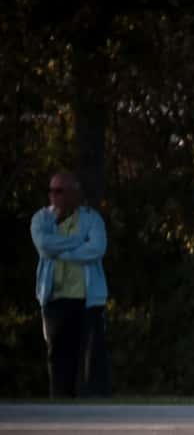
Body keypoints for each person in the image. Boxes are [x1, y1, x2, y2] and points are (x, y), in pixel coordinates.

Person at [30, 169, 110, 398]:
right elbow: (44, 246)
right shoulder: (41, 219)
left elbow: (96, 249)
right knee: (58, 356)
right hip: (55, 299)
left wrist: (60, 251)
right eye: (51, 191)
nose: (53, 196)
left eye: (59, 191)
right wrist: (77, 242)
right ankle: (60, 403)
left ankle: (95, 407)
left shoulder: (92, 218)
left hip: (87, 300)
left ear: (75, 193)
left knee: (91, 357)